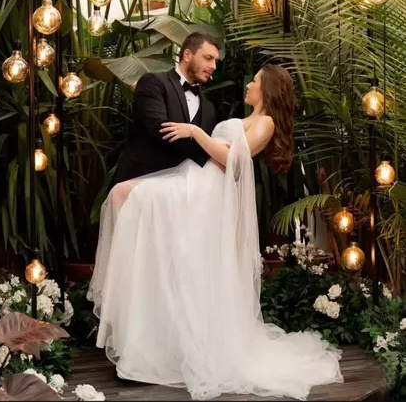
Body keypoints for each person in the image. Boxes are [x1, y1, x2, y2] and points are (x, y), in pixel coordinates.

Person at [88, 64, 343, 401]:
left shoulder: (266, 123)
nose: (249, 84)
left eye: (255, 81)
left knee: (126, 197)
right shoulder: (249, 118)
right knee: (126, 201)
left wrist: (195, 132)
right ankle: (141, 315)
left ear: (267, 89)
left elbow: (232, 160)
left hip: (206, 191)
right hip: (193, 178)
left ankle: (149, 328)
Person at [113, 31, 220, 184]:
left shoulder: (209, 108)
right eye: (208, 58)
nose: (213, 66)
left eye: (216, 61)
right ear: (187, 55)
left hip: (182, 190)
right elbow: (162, 130)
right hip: (140, 182)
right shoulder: (153, 83)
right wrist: (205, 143)